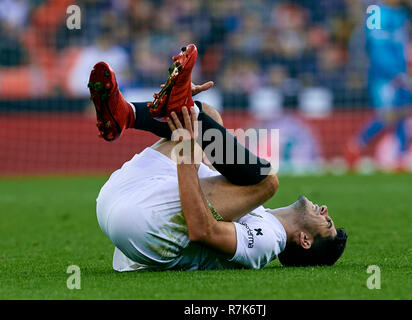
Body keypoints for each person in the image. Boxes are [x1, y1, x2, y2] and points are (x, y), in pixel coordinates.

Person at [89, 45, 347, 271]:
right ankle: (127, 114)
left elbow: (202, 231)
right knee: (210, 115)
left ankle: (165, 108)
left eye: (327, 222)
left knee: (267, 182)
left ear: (304, 240)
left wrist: (187, 155)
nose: (324, 210)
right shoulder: (259, 212)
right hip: (121, 197)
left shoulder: (267, 241)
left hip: (144, 226)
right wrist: (192, 112)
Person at [345, 0, 412, 171]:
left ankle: (401, 158)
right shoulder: (375, 12)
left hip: (402, 72)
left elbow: (402, 47)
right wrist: (393, 71)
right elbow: (375, 46)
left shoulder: (400, 14)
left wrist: (406, 71)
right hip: (382, 74)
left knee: (403, 112)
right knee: (386, 115)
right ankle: (356, 144)